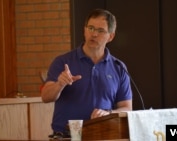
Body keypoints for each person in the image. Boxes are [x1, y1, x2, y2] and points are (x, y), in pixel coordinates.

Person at [41, 8, 133, 138]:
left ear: (111, 36)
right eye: (90, 28)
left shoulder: (118, 67)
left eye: (100, 31)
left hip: (104, 136)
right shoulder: (63, 61)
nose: (94, 34)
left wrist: (109, 113)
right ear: (84, 30)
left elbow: (127, 108)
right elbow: (45, 96)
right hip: (68, 137)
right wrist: (59, 84)